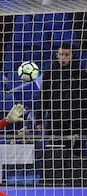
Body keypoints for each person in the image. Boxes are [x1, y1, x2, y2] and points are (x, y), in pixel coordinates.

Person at [36, 43, 87, 185]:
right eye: (61, 54)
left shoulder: (81, 74)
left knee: (75, 154)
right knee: (55, 152)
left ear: (72, 56)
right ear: (56, 55)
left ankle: (76, 184)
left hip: (77, 122)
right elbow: (42, 99)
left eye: (66, 55)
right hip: (55, 122)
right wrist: (39, 120)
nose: (63, 57)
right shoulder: (50, 74)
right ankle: (54, 183)